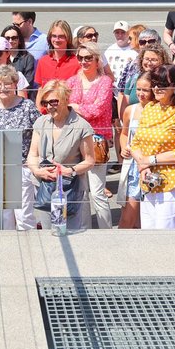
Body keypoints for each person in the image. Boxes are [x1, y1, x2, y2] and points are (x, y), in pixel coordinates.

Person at [128, 64, 175, 229]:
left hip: (171, 183)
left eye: (162, 85)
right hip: (148, 179)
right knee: (148, 232)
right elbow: (136, 143)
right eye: (154, 84)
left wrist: (149, 160)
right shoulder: (150, 107)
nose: (156, 88)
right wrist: (143, 164)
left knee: (166, 233)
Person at [25, 80, 95, 231]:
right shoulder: (41, 122)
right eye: (45, 103)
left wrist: (70, 171)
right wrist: (37, 171)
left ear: (65, 99)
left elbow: (90, 161)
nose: (49, 106)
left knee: (70, 233)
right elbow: (32, 155)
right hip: (44, 188)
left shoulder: (81, 126)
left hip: (70, 189)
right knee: (48, 233)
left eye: (54, 102)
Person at [0, 65, 41, 230]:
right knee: (4, 217)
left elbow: (40, 133)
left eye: (7, 83)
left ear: (15, 84)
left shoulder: (27, 106)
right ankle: (8, 246)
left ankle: (30, 246)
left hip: (22, 167)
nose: (3, 88)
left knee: (24, 216)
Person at [67, 41, 114, 229]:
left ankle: (106, 231)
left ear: (97, 60)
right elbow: (66, 107)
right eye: (80, 58)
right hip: (75, 139)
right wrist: (77, 108)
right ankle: (84, 229)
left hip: (96, 142)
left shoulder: (105, 82)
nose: (84, 61)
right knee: (81, 191)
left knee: (97, 191)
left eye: (88, 58)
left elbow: (98, 109)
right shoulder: (72, 81)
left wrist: (76, 107)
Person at [118, 71, 155, 229]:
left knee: (147, 219)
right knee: (128, 216)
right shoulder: (130, 110)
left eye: (145, 90)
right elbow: (124, 134)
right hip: (133, 166)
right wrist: (124, 147)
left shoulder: (161, 111)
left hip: (153, 165)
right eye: (138, 89)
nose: (141, 93)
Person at [34, 20, 80, 88]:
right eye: (54, 36)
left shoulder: (77, 63)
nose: (57, 40)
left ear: (68, 38)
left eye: (61, 36)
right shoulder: (43, 61)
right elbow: (40, 89)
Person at [104, 20, 137, 89]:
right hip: (112, 89)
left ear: (129, 34)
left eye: (123, 32)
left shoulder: (135, 50)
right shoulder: (108, 51)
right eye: (117, 33)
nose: (120, 35)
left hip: (128, 89)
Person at [2, 25, 36, 91]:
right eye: (7, 38)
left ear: (19, 40)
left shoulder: (28, 58)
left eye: (14, 38)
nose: (10, 41)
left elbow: (28, 83)